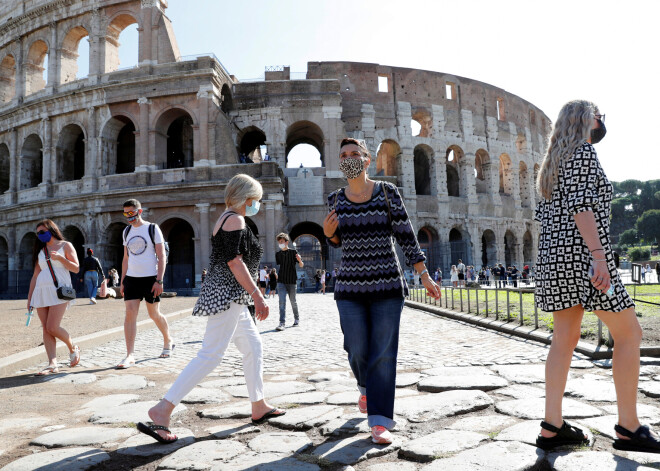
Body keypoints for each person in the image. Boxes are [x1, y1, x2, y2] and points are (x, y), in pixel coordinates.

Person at [534, 100, 660, 453]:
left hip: (553, 258)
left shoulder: (552, 163)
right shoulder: (583, 153)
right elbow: (582, 207)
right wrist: (600, 258)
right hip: (583, 258)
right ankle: (629, 427)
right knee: (630, 333)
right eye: (597, 114)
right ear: (582, 120)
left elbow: (549, 214)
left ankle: (552, 425)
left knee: (564, 338)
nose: (602, 119)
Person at [139, 174, 285, 444]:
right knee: (210, 356)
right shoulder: (235, 219)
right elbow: (235, 262)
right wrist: (258, 295)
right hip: (228, 294)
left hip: (232, 296)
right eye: (257, 199)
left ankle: (259, 405)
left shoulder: (225, 217)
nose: (258, 204)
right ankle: (162, 410)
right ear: (247, 196)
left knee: (253, 347)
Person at [323, 138, 441, 444]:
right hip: (349, 286)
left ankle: (379, 420)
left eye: (355, 154)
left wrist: (424, 275)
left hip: (387, 284)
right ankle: (364, 388)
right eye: (344, 155)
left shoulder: (387, 192)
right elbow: (336, 242)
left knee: (384, 354)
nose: (349, 158)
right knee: (357, 349)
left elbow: (405, 234)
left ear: (366, 160)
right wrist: (328, 234)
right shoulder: (335, 199)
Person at [117, 199, 173, 369]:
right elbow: (126, 258)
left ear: (139, 212)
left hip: (150, 278)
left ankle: (168, 339)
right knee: (130, 314)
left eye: (131, 213)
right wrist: (122, 280)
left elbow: (161, 256)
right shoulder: (126, 231)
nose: (129, 217)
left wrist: (159, 280)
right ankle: (130, 355)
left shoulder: (152, 228)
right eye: (126, 214)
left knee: (154, 314)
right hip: (132, 279)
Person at [27, 219, 81, 375]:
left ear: (51, 230)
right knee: (45, 328)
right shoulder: (41, 251)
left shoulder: (66, 246)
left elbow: (76, 268)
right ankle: (52, 364)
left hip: (59, 291)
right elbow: (35, 276)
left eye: (42, 232)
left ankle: (73, 347)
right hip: (41, 291)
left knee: (52, 326)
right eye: (38, 234)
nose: (40, 236)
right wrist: (30, 298)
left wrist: (61, 259)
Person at [275, 233, 304, 330]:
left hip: (291, 281)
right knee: (281, 302)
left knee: (293, 302)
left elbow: (301, 265)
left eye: (282, 242)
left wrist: (300, 260)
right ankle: (281, 323)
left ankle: (296, 319)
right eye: (279, 242)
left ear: (287, 242)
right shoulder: (278, 254)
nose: (280, 243)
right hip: (281, 281)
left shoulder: (293, 252)